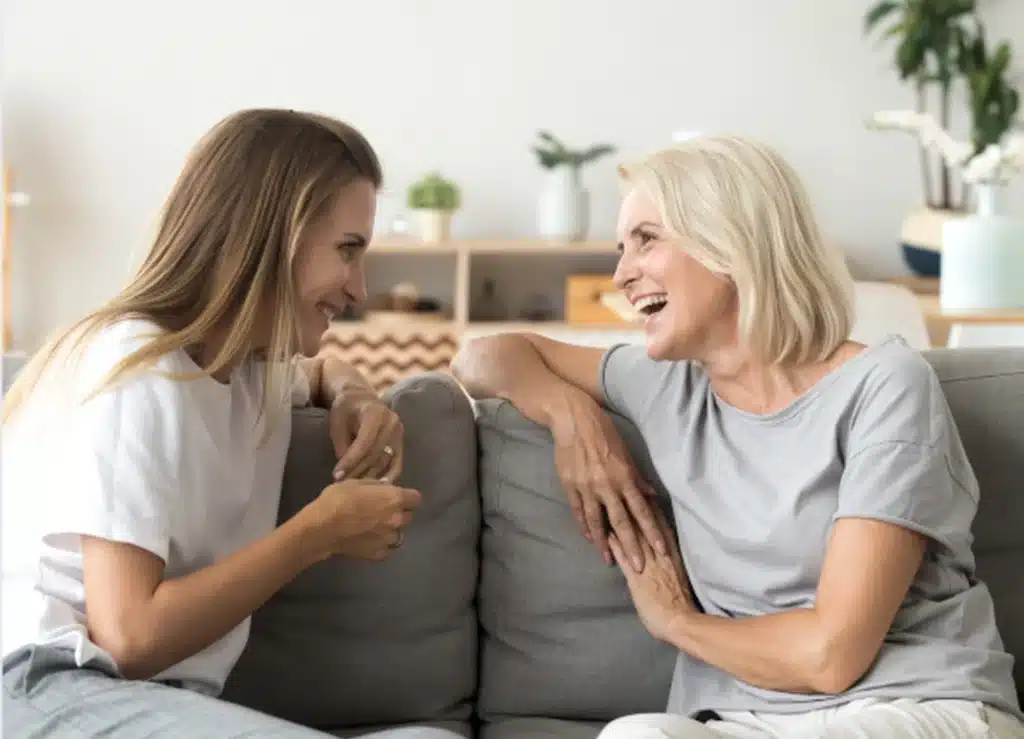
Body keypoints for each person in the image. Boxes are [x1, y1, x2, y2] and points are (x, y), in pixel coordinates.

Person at [451, 135, 1024, 738]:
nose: (621, 274)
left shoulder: (885, 386)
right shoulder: (664, 385)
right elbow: (483, 357)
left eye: (646, 239)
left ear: (729, 241)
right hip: (745, 723)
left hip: (912, 707)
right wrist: (573, 419)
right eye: (622, 248)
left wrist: (675, 622)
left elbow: (831, 656)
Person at [2, 109, 462, 739]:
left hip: (149, 700)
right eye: (347, 252)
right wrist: (318, 532)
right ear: (271, 237)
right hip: (46, 688)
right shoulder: (138, 368)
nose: (358, 289)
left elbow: (323, 372)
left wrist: (356, 395)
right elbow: (128, 636)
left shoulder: (250, 369)